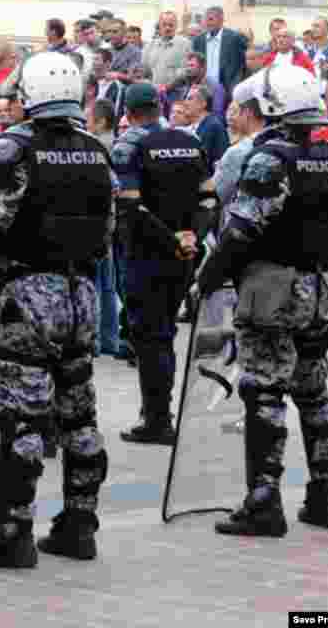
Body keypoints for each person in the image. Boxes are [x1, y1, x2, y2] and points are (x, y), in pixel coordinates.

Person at [0, 51, 113, 567]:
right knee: (79, 413)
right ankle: (80, 526)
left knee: (24, 419)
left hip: (29, 295)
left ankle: (13, 533)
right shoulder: (95, 151)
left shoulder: (15, 147)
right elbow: (104, 234)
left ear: (30, 95)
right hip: (82, 293)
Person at [195, 65, 328, 536]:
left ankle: (263, 502)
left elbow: (241, 230)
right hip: (317, 289)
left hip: (271, 291)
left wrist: (208, 277)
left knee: (264, 392)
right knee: (314, 392)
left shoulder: (270, 159)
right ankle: (326, 495)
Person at [112, 82, 215, 445]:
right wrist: (191, 237)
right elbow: (209, 199)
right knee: (165, 330)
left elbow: (131, 207)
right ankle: (158, 412)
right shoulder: (191, 141)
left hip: (146, 251)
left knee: (149, 335)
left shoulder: (129, 144)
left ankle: (157, 418)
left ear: (128, 112)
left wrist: (171, 238)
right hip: (184, 252)